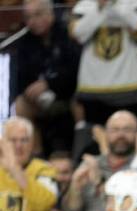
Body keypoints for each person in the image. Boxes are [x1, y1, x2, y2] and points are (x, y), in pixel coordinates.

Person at [12, 0, 80, 155]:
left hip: (67, 93)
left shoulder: (66, 35)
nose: (32, 21)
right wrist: (34, 89)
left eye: (37, 15)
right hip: (40, 99)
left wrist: (49, 84)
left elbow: (74, 72)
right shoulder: (25, 43)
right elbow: (21, 78)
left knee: (80, 99)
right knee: (20, 104)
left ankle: (79, 149)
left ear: (50, 14)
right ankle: (35, 153)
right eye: (28, 17)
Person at [70, 0, 137, 125]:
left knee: (132, 132)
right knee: (96, 137)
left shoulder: (134, 3)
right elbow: (77, 35)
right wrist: (99, 10)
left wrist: (113, 6)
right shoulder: (83, 5)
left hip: (129, 86)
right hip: (93, 88)